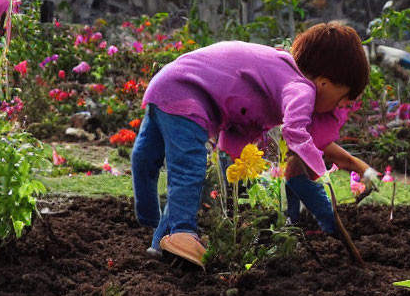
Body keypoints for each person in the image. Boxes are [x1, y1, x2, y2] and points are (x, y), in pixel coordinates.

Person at [132, 22, 378, 265]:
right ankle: (182, 233)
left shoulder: (279, 69)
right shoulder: (302, 88)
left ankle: (154, 234)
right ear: (324, 83)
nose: (338, 108)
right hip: (190, 97)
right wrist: (319, 169)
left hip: (166, 83)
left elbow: (239, 118)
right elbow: (295, 131)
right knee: (188, 169)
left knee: (146, 158)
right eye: (341, 100)